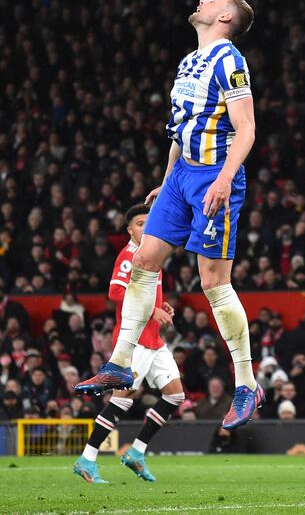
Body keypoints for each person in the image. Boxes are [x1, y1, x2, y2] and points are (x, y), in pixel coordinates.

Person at [75, 0, 263, 430]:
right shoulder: (187, 62)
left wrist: (222, 179)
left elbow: (247, 127)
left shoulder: (229, 61)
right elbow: (180, 130)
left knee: (213, 281)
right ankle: (120, 363)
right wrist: (168, 177)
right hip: (181, 178)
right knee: (143, 261)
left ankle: (247, 383)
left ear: (225, 16)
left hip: (216, 175)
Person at [73, 205, 184, 484]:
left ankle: (136, 453)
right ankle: (87, 459)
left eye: (149, 222)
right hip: (135, 340)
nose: (145, 227)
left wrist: (161, 306)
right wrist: (151, 311)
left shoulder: (152, 253)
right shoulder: (129, 254)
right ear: (129, 230)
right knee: (122, 401)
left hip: (153, 339)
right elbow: (115, 291)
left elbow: (144, 292)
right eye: (138, 223)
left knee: (175, 396)